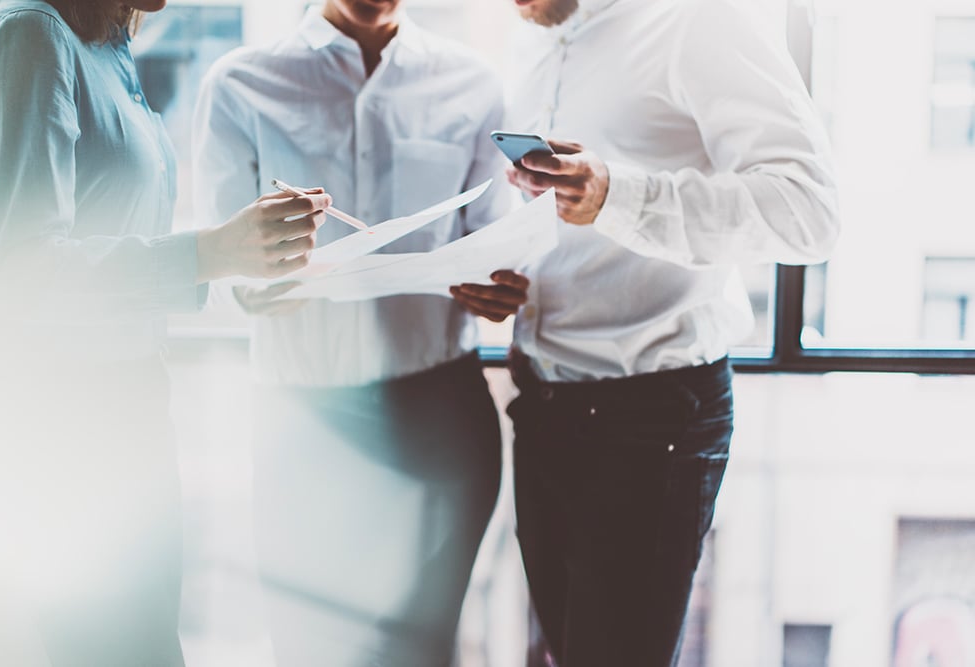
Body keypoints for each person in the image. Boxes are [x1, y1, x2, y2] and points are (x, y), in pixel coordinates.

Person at [470, 0, 840, 664]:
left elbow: (807, 211)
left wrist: (619, 196)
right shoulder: (537, 41)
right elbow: (562, 218)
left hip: (650, 420)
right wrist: (509, 277)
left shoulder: (699, 18)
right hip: (541, 408)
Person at [0, 1, 330, 665]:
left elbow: (108, 229)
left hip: (128, 419)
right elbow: (22, 271)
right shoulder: (30, 34)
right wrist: (210, 253)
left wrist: (242, 256)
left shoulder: (106, 46)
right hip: (56, 439)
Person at [192, 1, 527, 664]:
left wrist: (503, 287)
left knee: (422, 649)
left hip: (439, 415)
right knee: (307, 647)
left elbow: (494, 244)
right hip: (302, 421)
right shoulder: (239, 84)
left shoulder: (476, 84)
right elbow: (222, 269)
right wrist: (254, 282)